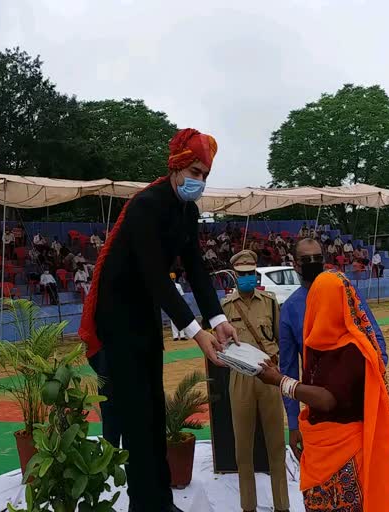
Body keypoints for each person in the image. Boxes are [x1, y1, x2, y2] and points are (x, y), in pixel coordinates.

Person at [79, 128, 238, 512]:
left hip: (145, 314)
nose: (199, 182)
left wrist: (217, 318)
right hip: (116, 320)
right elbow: (155, 276)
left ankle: (158, 502)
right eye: (195, 172)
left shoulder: (187, 210)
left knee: (151, 412)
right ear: (177, 167)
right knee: (134, 415)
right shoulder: (147, 205)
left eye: (205, 176)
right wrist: (197, 333)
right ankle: (145, 505)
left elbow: (196, 270)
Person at [260, 271, 389, 511]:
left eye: (318, 301)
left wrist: (280, 381)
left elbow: (328, 400)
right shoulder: (318, 345)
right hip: (319, 450)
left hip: (347, 457)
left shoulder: (353, 349)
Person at [279, 238, 387, 463]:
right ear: (295, 265)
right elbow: (288, 367)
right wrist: (292, 422)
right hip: (319, 409)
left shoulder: (346, 293)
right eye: (306, 260)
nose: (312, 263)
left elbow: (376, 342)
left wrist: (362, 380)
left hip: (359, 407)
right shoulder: (290, 308)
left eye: (317, 259)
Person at [221, 250, 289, 512]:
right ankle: (247, 506)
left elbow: (281, 338)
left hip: (269, 375)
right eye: (242, 275)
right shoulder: (225, 307)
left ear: (255, 273)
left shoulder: (270, 302)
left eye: (251, 274)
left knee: (276, 446)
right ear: (235, 277)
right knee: (243, 449)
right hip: (240, 378)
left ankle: (282, 506)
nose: (247, 278)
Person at [169, 273, 187, 341]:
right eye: (171, 278)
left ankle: (182, 335)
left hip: (179, 304)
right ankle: (175, 336)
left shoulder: (178, 286)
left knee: (181, 319)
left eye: (173, 278)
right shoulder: (167, 286)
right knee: (173, 321)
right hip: (171, 305)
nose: (173, 280)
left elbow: (182, 295)